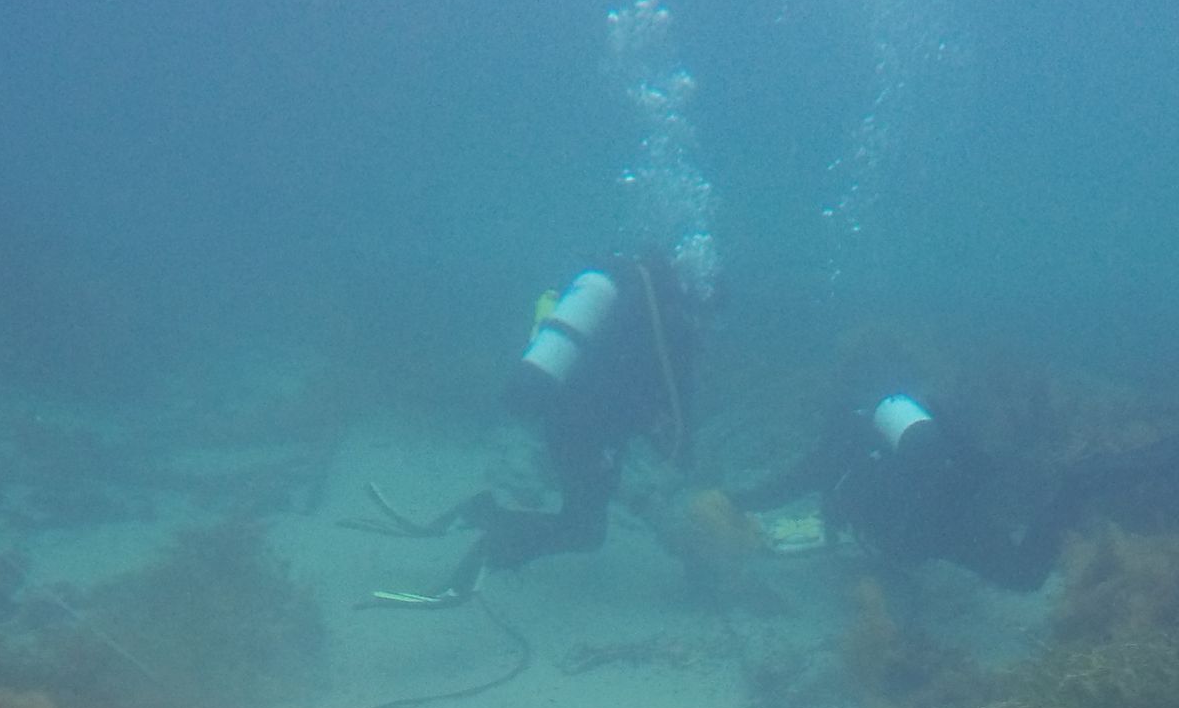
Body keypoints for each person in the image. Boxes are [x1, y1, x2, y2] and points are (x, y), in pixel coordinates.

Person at [369, 255, 699, 607]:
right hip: (587, 429)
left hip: (568, 419)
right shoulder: (667, 328)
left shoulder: (630, 309)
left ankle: (479, 512)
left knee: (585, 523)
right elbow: (646, 400)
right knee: (584, 531)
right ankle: (489, 552)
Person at [747, 388, 1099, 593]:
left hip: (928, 528)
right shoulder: (876, 446)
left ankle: (1074, 488)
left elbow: (775, 491)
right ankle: (1076, 487)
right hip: (952, 508)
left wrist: (731, 502)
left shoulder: (832, 456)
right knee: (1024, 576)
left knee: (1023, 577)